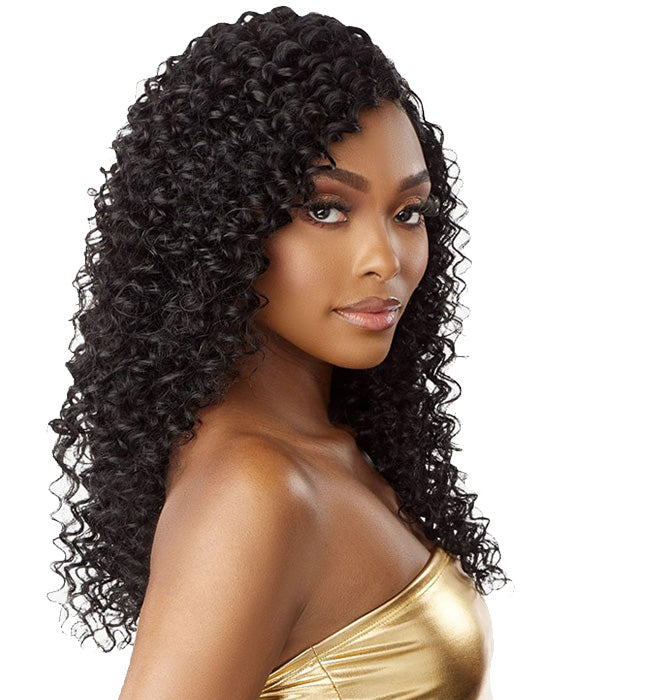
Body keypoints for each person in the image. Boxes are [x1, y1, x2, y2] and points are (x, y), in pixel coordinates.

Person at [48, 6, 511, 698]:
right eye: (326, 209)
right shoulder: (255, 488)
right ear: (220, 226)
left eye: (408, 212)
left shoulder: (333, 445)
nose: (386, 259)